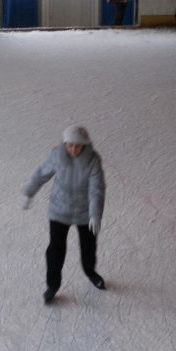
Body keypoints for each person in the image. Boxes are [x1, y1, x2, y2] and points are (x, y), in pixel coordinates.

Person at [22, 126, 106, 303]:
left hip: (84, 212)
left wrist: (95, 213)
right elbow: (41, 173)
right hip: (59, 209)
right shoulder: (57, 156)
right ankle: (52, 285)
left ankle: (90, 272)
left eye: (78, 146)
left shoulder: (93, 160)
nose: (73, 149)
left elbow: (96, 189)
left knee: (89, 246)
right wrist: (29, 192)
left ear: (84, 145)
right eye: (70, 145)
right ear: (65, 144)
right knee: (55, 249)